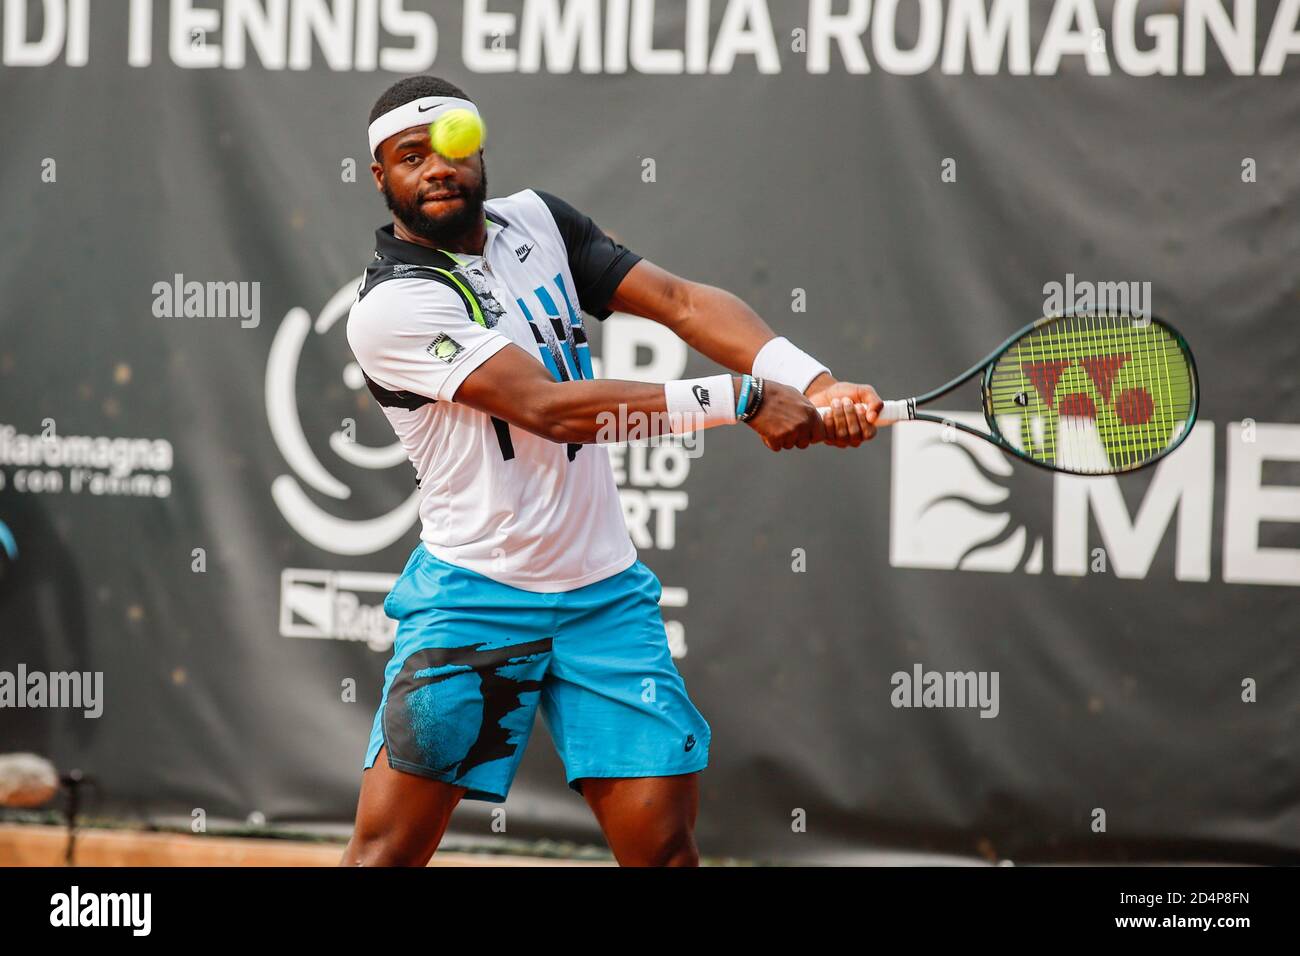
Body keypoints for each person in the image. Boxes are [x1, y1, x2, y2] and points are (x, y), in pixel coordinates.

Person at [340, 75, 882, 867]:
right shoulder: (391, 307)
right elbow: (552, 409)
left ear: (478, 152)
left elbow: (681, 303)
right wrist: (741, 397)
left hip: (604, 600)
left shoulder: (540, 224)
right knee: (386, 855)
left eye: (447, 149)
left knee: (664, 852)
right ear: (379, 176)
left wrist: (814, 381)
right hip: (474, 599)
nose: (434, 169)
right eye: (408, 156)